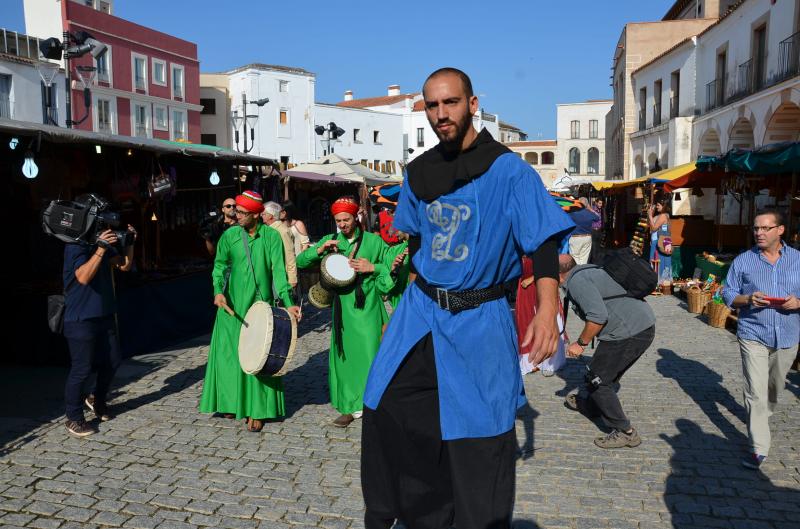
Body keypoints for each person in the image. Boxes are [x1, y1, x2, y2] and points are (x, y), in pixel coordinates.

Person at [360, 68, 574, 529]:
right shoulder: (419, 172)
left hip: (480, 317)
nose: (442, 114)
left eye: (450, 103)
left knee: (480, 434)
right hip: (420, 313)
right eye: (432, 106)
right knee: (386, 408)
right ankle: (418, 517)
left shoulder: (510, 170)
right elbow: (415, 245)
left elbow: (542, 244)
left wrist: (547, 310)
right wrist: (402, 307)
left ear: (472, 104)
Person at [199, 191, 301, 433]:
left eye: (243, 213)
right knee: (229, 355)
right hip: (231, 307)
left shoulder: (272, 237)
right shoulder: (230, 236)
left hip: (259, 308)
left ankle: (258, 409)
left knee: (259, 356)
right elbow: (220, 266)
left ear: (257, 215)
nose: (237, 216)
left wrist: (288, 303)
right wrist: (218, 291)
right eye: (236, 211)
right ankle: (231, 401)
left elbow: (279, 273)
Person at [296, 197, 395, 428]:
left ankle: (374, 405)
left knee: (372, 356)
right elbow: (301, 262)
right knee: (345, 359)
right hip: (342, 313)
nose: (342, 224)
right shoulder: (331, 241)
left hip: (368, 309)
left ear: (356, 217)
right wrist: (318, 250)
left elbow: (391, 270)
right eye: (338, 220)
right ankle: (349, 407)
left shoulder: (373, 241)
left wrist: (373, 267)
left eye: (346, 220)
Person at [721, 209, 800, 469]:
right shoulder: (744, 261)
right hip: (753, 332)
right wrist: (749, 299)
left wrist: (797, 302)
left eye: (765, 228)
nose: (759, 233)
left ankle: (760, 419)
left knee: (774, 389)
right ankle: (759, 447)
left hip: (788, 334)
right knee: (755, 392)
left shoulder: (797, 259)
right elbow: (728, 293)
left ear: (780, 230)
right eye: (756, 228)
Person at [559, 254, 655, 449]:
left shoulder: (577, 282)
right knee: (601, 375)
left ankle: (625, 432)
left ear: (558, 275)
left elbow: (597, 316)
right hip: (639, 325)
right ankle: (593, 407)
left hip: (629, 331)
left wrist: (580, 343)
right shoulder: (587, 269)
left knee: (598, 380)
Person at [62, 222, 137, 437]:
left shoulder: (101, 243)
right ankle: (73, 417)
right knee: (81, 369)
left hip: (104, 314)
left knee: (113, 360)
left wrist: (129, 243)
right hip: (80, 317)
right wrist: (101, 249)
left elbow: (124, 265)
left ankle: (97, 399)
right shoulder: (75, 246)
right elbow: (83, 277)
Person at [262, 201, 297, 290]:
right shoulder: (268, 229)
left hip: (281, 276)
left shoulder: (281, 230)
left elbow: (289, 254)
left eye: (264, 213)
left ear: (271, 215)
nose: (261, 215)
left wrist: (292, 278)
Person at [648, 197, 672, 284]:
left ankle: (658, 282)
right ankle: (663, 282)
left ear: (664, 205)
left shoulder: (662, 216)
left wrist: (650, 215)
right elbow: (652, 226)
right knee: (660, 261)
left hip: (659, 243)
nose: (657, 207)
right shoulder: (664, 215)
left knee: (656, 261)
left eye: (658, 205)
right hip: (662, 242)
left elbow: (654, 228)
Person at [568, 201, 600, 266]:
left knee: (574, 257)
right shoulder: (589, 213)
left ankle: (576, 273)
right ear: (587, 204)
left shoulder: (573, 213)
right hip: (587, 237)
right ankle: (581, 272)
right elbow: (597, 218)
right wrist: (591, 210)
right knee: (584, 259)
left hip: (575, 238)